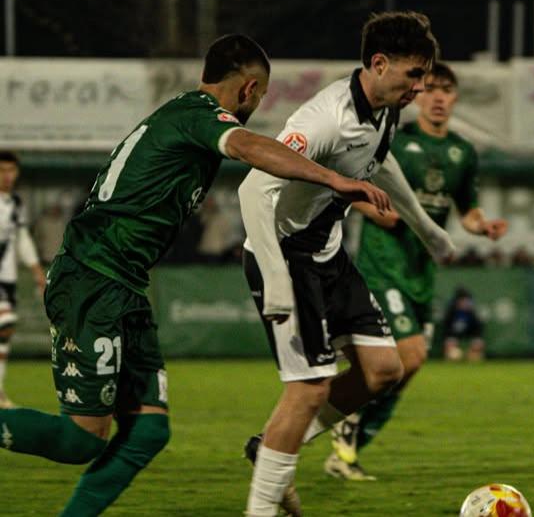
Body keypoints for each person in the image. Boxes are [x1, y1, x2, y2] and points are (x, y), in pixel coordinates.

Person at [0, 34, 390, 517]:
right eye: (260, 97)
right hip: (91, 277)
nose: (255, 106)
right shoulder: (199, 116)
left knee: (147, 431)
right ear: (248, 90)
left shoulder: (182, 115)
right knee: (82, 438)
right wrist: (333, 177)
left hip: (123, 284)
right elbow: (247, 147)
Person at [238, 11, 456, 516]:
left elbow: (380, 160)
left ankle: (272, 448)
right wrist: (274, 281)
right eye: (414, 75)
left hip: (328, 253)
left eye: (425, 76)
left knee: (383, 370)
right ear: (379, 64)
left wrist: (425, 227)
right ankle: (261, 507)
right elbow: (253, 189)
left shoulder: (384, 107)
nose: (421, 88)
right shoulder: (324, 119)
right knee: (310, 388)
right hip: (285, 257)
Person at [324, 61, 508, 480]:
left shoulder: (462, 152)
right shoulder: (395, 141)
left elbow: (467, 210)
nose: (439, 97)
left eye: (448, 90)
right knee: (412, 354)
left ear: (456, 98)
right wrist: (373, 207)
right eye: (432, 89)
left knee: (408, 366)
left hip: (420, 271)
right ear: (418, 95)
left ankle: (350, 438)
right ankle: (337, 417)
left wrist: (482, 226)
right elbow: (347, 182)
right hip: (383, 264)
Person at [0, 151, 47, 408]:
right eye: (2, 171)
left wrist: (36, 270)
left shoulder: (16, 203)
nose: (7, 176)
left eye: (11, 171)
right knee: (4, 322)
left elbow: (23, 239)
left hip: (6, 278)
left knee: (4, 334)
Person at [442, 287, 486, 362]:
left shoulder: (472, 314)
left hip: (469, 335)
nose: (465, 303)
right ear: (457, 301)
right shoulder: (451, 313)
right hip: (454, 336)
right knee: (453, 353)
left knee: (477, 350)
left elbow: (478, 331)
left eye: (466, 300)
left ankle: (470, 355)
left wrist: (475, 344)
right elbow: (447, 331)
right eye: (462, 300)